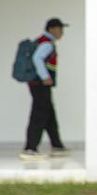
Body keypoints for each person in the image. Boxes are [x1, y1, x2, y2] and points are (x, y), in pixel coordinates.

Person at [21, 18, 68, 161]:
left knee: (48, 112)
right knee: (39, 114)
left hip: (38, 84)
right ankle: (30, 148)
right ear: (52, 29)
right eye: (60, 29)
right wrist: (45, 76)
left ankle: (57, 144)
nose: (62, 33)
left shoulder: (42, 41)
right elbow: (37, 59)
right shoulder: (46, 44)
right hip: (40, 84)